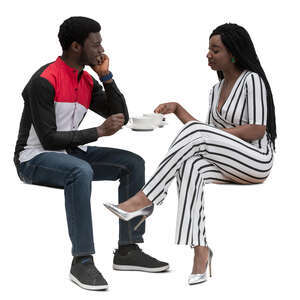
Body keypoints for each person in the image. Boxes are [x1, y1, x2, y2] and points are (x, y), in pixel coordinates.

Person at [104, 23, 277, 285]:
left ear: (233, 53)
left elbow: (257, 129)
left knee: (197, 137)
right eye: (208, 48)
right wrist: (177, 109)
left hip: (255, 159)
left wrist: (212, 134)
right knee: (190, 166)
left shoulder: (251, 80)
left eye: (215, 49)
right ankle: (200, 251)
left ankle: (145, 198)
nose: (208, 54)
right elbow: (204, 133)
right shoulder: (216, 90)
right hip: (230, 159)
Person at [14, 16, 169, 291]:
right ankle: (82, 260)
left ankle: (128, 249)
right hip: (34, 157)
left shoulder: (85, 79)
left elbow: (118, 115)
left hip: (71, 150)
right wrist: (98, 132)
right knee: (80, 170)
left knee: (133, 164)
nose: (101, 48)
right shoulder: (44, 80)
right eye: (95, 44)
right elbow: (48, 139)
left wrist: (106, 76)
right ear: (76, 46)